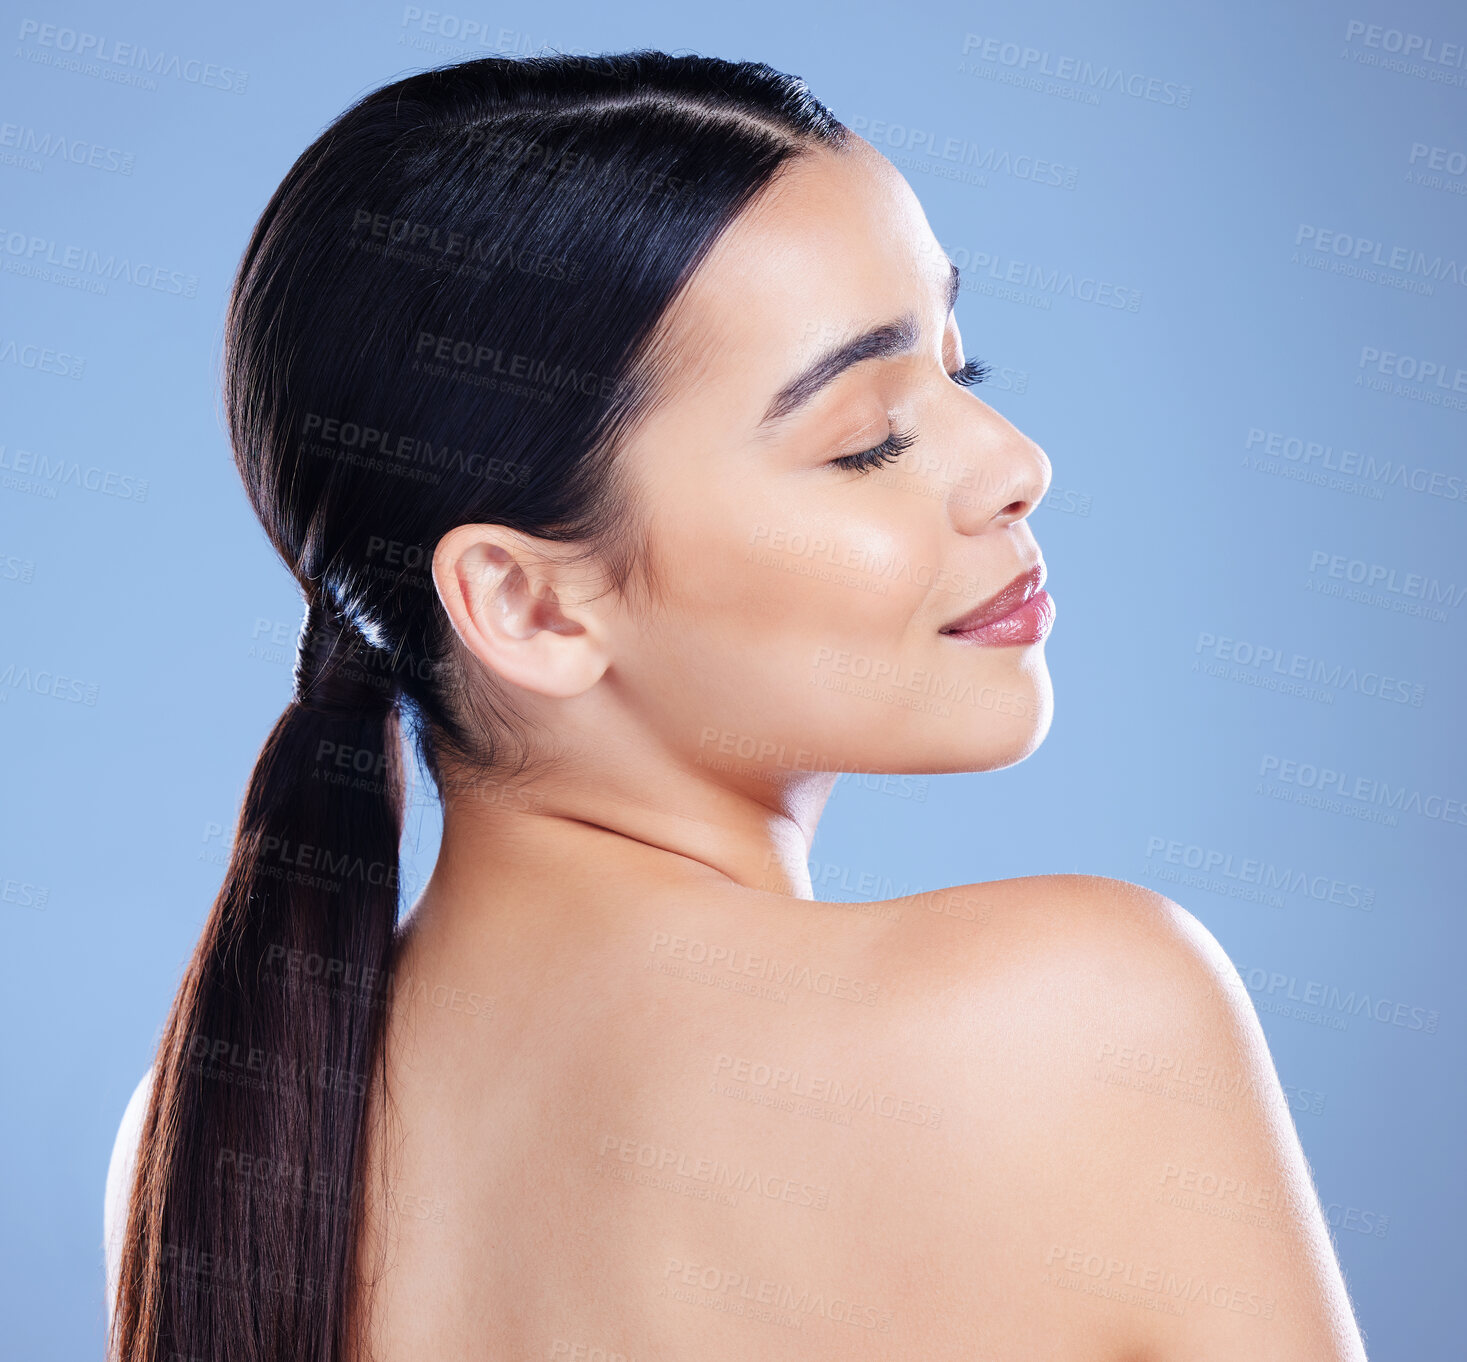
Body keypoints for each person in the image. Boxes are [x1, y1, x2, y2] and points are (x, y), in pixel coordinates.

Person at [104, 49, 1369, 1361]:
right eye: (866, 437)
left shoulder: (201, 1144)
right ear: (529, 603)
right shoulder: (1082, 1015)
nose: (1016, 464)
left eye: (962, 366)